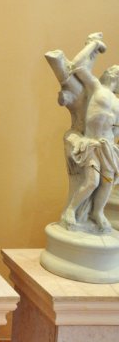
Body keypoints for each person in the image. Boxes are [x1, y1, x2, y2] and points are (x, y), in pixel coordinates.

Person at [56, 33, 119, 231]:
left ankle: (97, 212)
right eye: (113, 70)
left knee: (107, 182)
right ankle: (71, 210)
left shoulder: (117, 102)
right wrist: (93, 45)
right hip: (91, 143)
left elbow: (116, 128)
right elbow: (76, 66)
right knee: (92, 181)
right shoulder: (96, 87)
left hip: (108, 146)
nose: (115, 72)